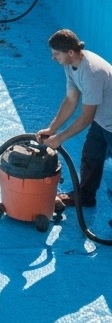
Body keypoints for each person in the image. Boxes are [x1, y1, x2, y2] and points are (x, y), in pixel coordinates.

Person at [37, 28, 112, 210]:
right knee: (91, 156)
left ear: (70, 52)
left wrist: (60, 138)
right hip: (103, 121)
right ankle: (85, 197)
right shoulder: (70, 65)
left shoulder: (91, 71)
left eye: (56, 53)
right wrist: (52, 129)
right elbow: (71, 99)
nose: (53, 57)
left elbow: (87, 117)